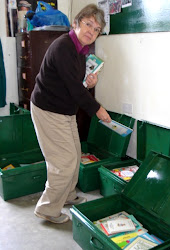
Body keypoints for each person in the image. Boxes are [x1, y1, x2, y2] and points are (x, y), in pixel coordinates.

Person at [30, 4, 111, 224]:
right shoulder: (63, 47)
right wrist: (97, 109)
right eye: (88, 24)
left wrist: (88, 82)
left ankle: (66, 196)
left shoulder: (80, 51)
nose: (91, 32)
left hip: (64, 109)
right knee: (63, 162)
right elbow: (73, 89)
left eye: (96, 30)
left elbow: (74, 85)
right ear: (76, 23)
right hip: (48, 109)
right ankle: (47, 208)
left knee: (75, 155)